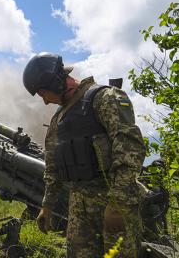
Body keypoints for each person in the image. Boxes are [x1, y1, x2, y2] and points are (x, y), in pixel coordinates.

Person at [23, 53, 146, 257]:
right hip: (80, 207)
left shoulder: (105, 99)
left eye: (43, 93)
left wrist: (118, 203)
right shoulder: (59, 119)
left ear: (55, 83)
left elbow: (130, 151)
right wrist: (47, 204)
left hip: (114, 203)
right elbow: (53, 165)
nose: (44, 102)